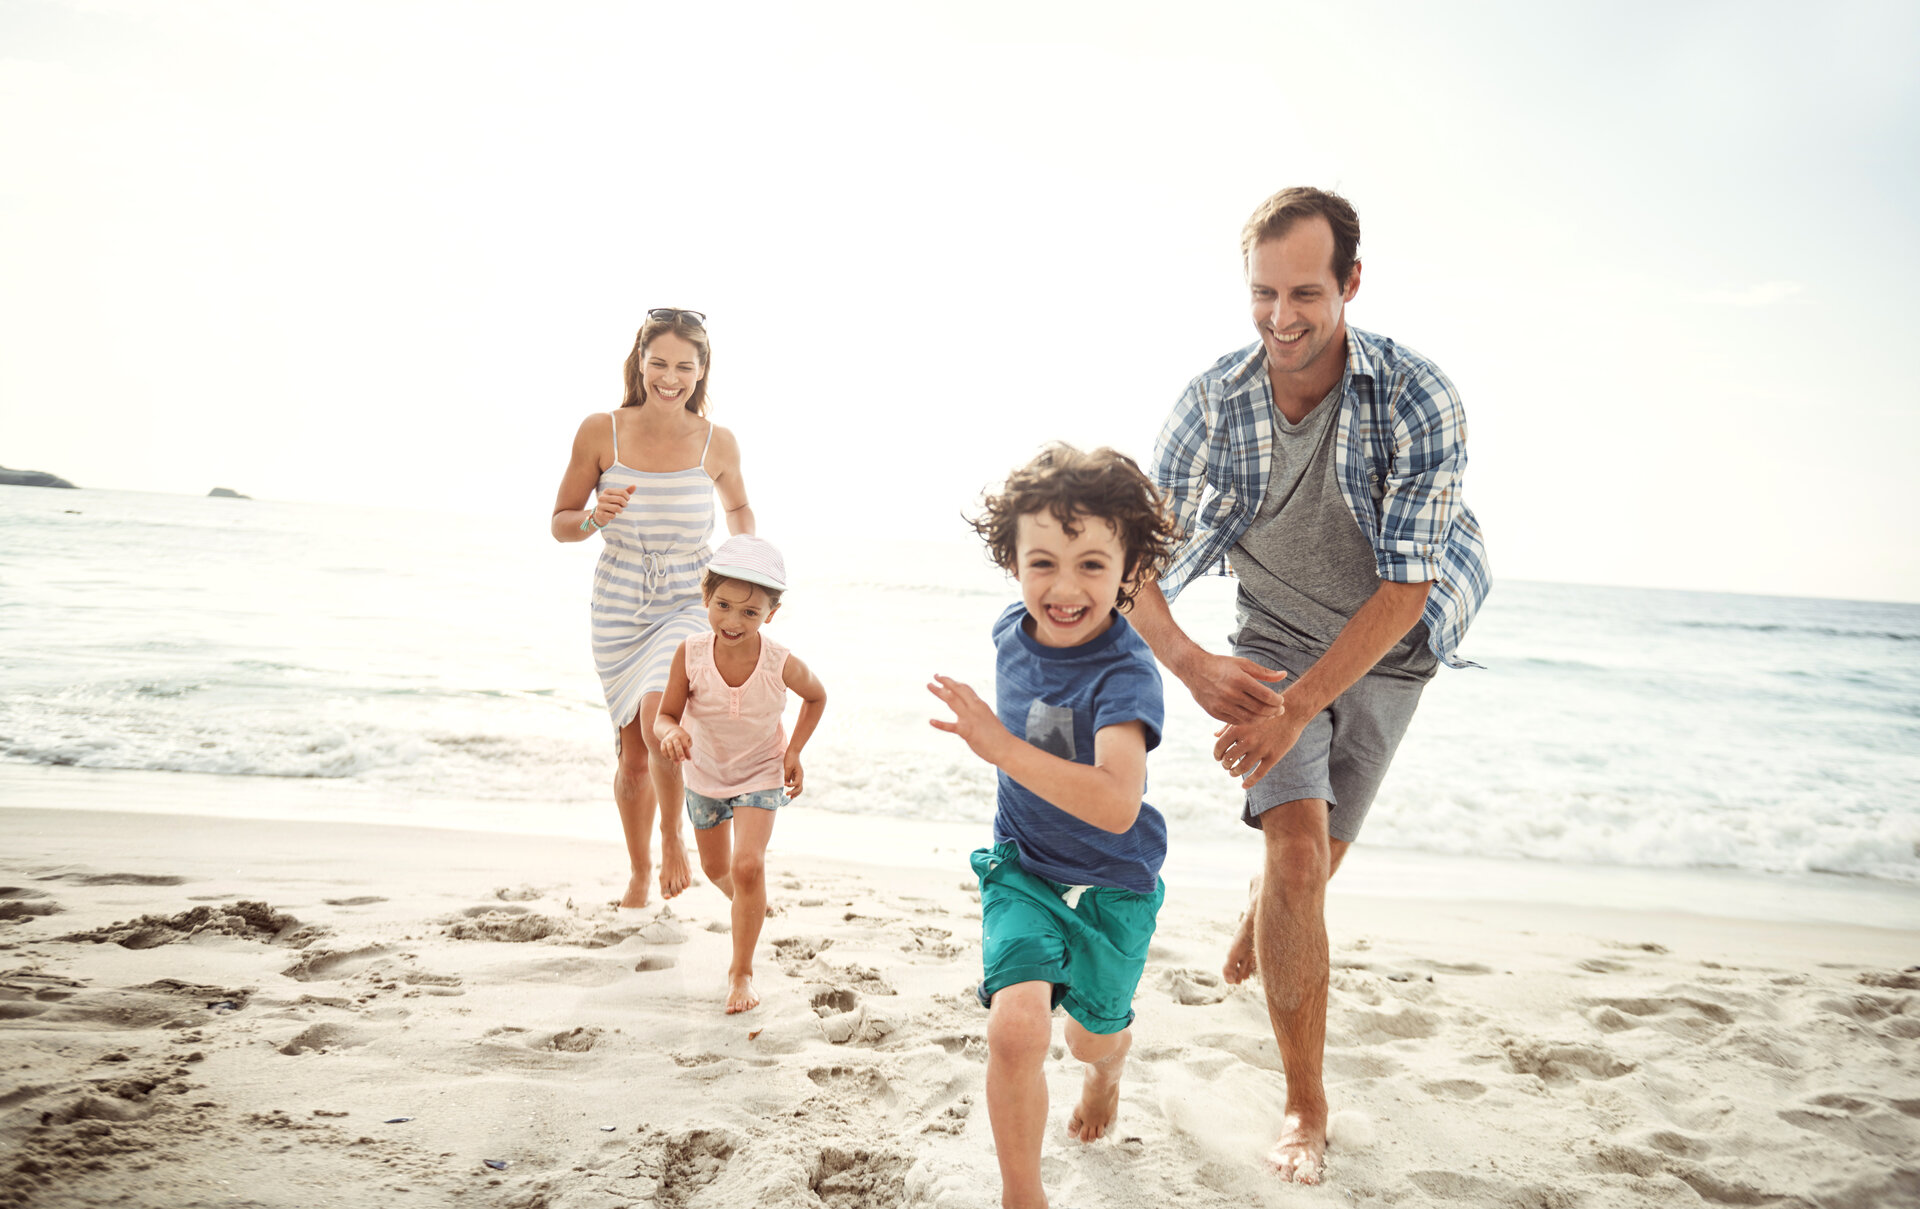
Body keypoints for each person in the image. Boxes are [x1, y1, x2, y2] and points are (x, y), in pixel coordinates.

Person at [1124, 187, 1491, 1184]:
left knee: (1310, 870)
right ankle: (1303, 1104)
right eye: (1262, 293)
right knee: (1295, 862)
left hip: (1391, 639)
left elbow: (1408, 588)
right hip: (1275, 631)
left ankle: (1270, 906)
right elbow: (1133, 558)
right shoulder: (1213, 400)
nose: (1281, 317)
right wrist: (1195, 662)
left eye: (1305, 294)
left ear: (1350, 284)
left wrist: (1302, 709)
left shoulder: (1420, 396)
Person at [928, 444, 1180, 1209]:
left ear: (1133, 569)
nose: (1064, 589)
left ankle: (1108, 1067)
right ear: (1011, 561)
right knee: (1016, 1029)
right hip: (1026, 867)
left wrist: (1000, 747)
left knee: (1086, 1038)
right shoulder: (1013, 627)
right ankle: (1022, 1195)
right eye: (1042, 563)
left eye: (1093, 566)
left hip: (1115, 881)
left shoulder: (1126, 673)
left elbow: (1114, 802)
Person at [550, 309, 755, 909]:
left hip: (690, 594)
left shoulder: (717, 441)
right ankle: (640, 871)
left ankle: (674, 837)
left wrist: (743, 568)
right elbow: (561, 523)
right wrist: (594, 518)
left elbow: (740, 511)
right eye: (659, 363)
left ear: (701, 371)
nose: (671, 378)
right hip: (619, 602)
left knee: (655, 711)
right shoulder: (600, 432)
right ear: (640, 362)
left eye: (684, 367)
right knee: (633, 759)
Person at [653, 535, 827, 1015]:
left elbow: (817, 696)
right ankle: (749, 905)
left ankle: (741, 972)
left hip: (760, 771)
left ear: (769, 614)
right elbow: (665, 715)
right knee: (717, 870)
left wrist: (793, 750)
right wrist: (669, 734)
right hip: (704, 775)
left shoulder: (779, 662)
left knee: (747, 866)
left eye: (749, 613)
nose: (733, 621)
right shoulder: (688, 653)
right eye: (724, 605)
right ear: (706, 597)